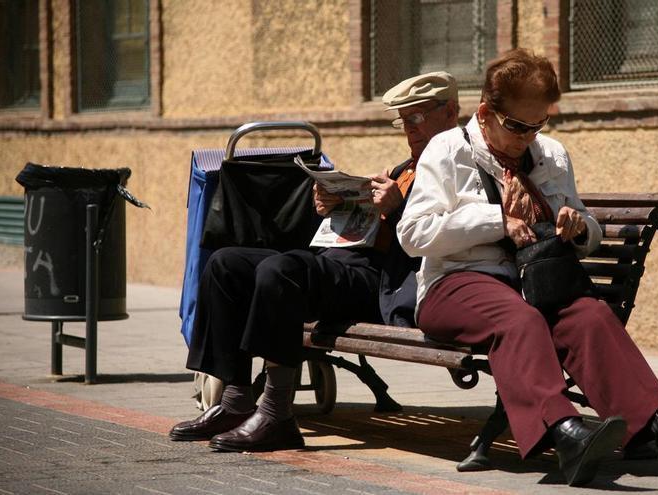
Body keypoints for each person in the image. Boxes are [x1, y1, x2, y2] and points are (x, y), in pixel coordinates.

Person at [397, 49, 658, 486]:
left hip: (536, 282)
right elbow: (413, 234)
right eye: (516, 125)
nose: (527, 137)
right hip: (455, 283)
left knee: (590, 316)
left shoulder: (550, 155)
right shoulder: (448, 149)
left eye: (538, 125)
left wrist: (576, 226)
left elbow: (585, 226)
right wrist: (498, 221)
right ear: (485, 113)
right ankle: (565, 434)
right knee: (519, 319)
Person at [169, 72, 460, 452]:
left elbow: (450, 235)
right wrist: (334, 205)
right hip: (340, 263)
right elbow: (370, 220)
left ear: (451, 112)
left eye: (416, 118)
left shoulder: (459, 164)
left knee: (282, 272)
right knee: (226, 265)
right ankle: (236, 401)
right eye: (402, 120)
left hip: (383, 281)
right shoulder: (406, 166)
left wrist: (398, 206)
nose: (408, 129)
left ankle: (277, 414)